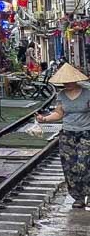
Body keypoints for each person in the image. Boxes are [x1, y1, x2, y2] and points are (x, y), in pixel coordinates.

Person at [37, 61, 90, 208]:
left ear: (76, 80)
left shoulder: (87, 92)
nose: (67, 84)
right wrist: (44, 119)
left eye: (69, 81)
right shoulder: (61, 95)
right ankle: (78, 197)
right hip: (67, 134)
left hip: (86, 133)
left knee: (84, 164)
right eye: (64, 82)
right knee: (69, 166)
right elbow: (59, 113)